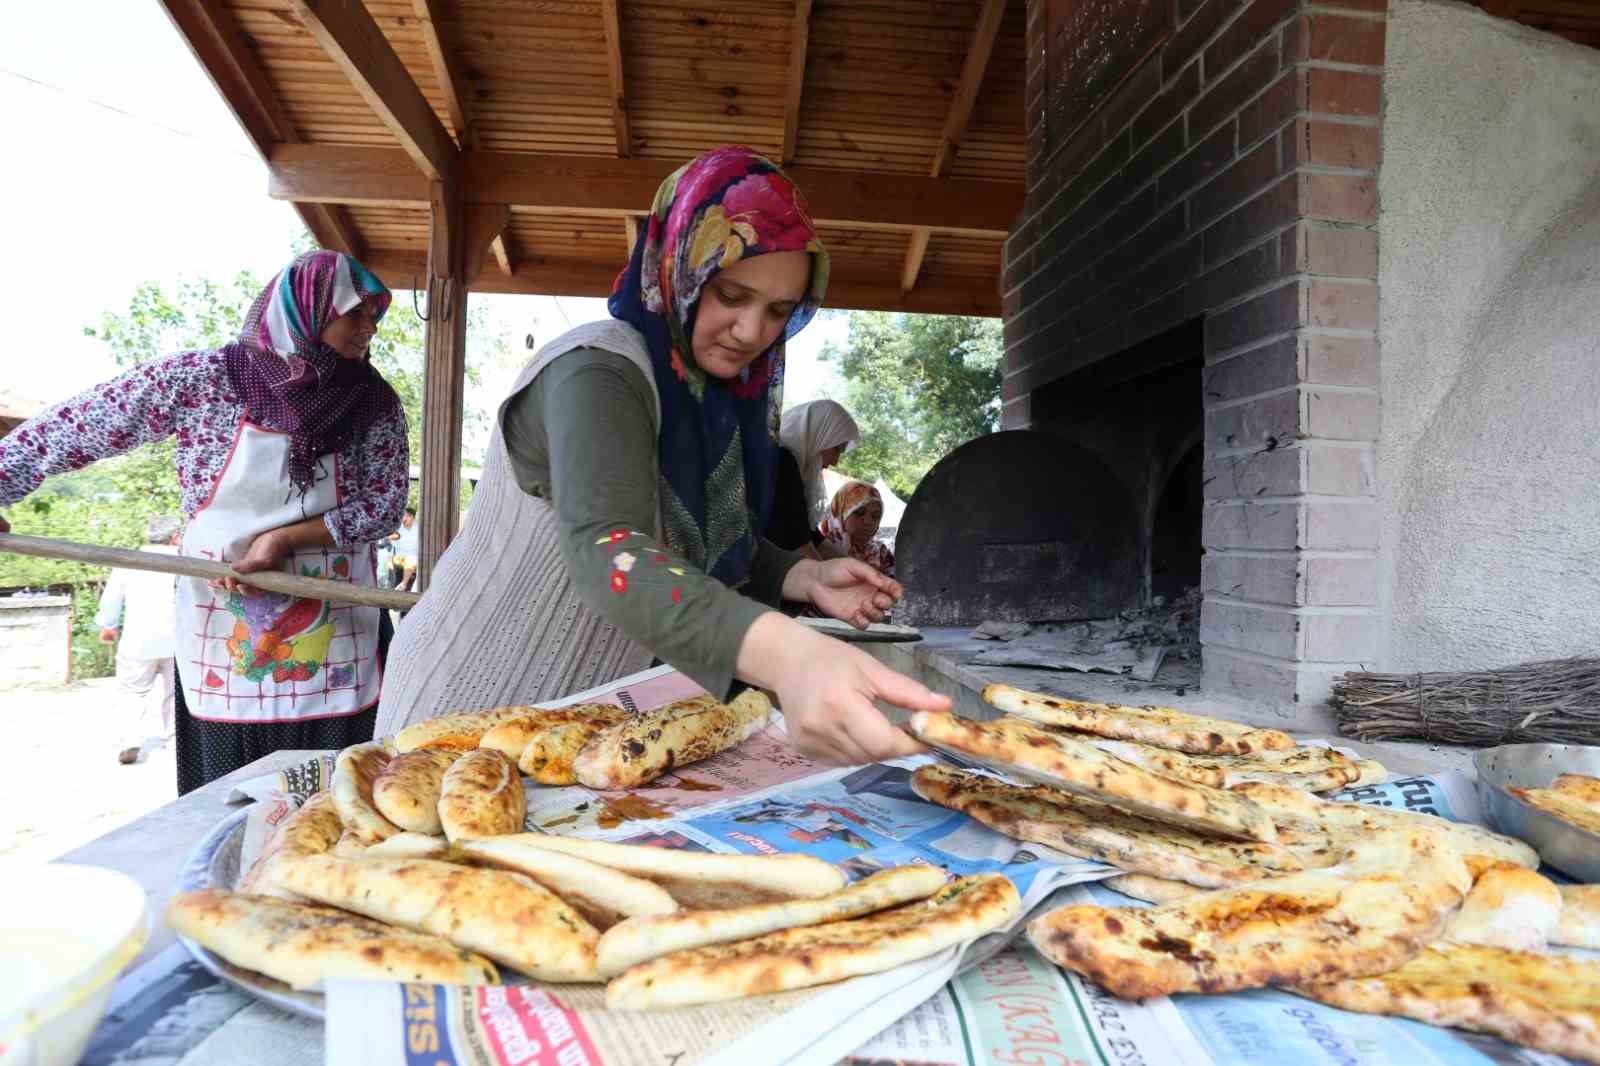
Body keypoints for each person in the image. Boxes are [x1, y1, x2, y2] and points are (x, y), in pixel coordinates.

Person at [379, 145, 947, 765]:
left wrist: (797, 574)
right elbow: (612, 547)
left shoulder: (714, 405)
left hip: (578, 730)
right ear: (681, 264)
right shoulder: (596, 371)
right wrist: (789, 653)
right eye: (732, 294)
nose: (754, 332)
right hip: (466, 706)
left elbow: (689, 529)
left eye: (779, 311)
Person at [0, 251, 410, 794]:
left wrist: (283, 538)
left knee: (339, 801)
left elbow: (383, 506)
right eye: (356, 312)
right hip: (222, 623)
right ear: (309, 308)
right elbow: (81, 424)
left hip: (336, 634)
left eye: (375, 317)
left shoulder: (373, 402)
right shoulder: (205, 380)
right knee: (229, 801)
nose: (368, 329)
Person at [98, 514, 182, 764]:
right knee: (175, 693)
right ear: (175, 536)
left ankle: (129, 741)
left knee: (132, 692)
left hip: (138, 639)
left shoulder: (129, 561)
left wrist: (108, 625)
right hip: (177, 640)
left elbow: (112, 597)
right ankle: (175, 741)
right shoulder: (185, 559)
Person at [778, 399, 859, 530]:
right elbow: (795, 539)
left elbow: (805, 534)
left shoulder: (799, 467)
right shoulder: (783, 460)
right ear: (818, 433)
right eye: (837, 448)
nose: (835, 462)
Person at [818, 480, 895, 576]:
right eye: (859, 512)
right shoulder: (820, 545)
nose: (868, 521)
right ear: (841, 512)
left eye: (875, 516)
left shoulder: (883, 554)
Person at [388, 507, 419, 591]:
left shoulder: (419, 528)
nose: (404, 518)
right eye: (402, 516)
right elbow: (391, 539)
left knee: (411, 559)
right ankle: (402, 585)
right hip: (399, 558)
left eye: (406, 516)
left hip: (413, 559)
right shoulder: (397, 527)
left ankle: (404, 584)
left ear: (412, 517)